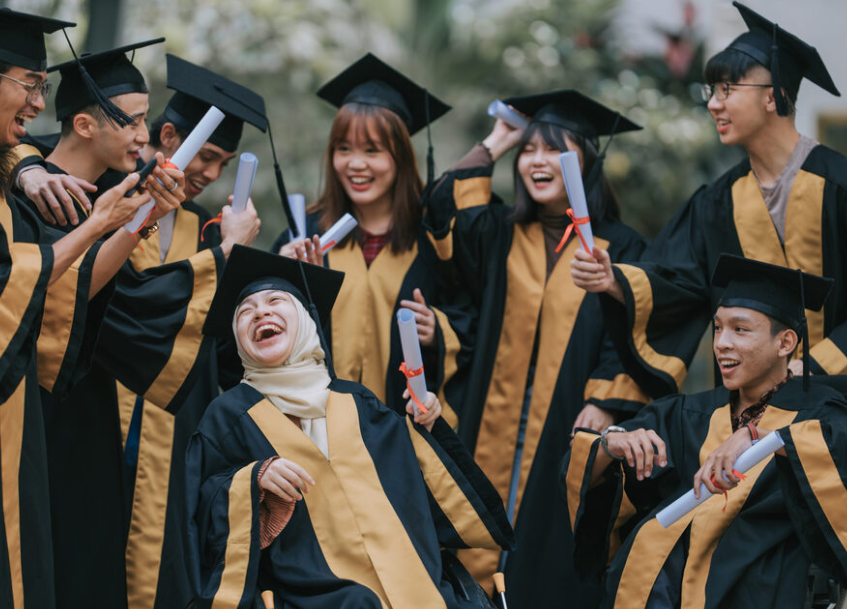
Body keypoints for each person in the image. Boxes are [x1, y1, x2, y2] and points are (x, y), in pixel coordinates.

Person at [0, 2, 149, 606]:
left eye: (43, 87)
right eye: (29, 85)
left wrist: (119, 219)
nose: (37, 103)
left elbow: (52, 298)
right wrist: (97, 223)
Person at [185, 245, 514, 608]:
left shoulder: (357, 400)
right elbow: (199, 512)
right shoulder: (228, 416)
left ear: (306, 320)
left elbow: (418, 489)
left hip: (410, 580)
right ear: (238, 340)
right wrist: (254, 480)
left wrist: (428, 426)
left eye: (276, 300)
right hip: (313, 593)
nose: (260, 311)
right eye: (245, 312)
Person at [421, 90, 648, 601]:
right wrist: (500, 137)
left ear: (587, 160)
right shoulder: (499, 232)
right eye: (530, 150)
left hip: (568, 424)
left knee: (548, 559)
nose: (537, 161)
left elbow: (636, 328)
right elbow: (440, 209)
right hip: (489, 421)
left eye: (555, 149)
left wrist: (603, 399)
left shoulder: (622, 246)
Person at [571, 1, 847, 400]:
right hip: (747, 417)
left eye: (728, 89)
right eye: (712, 90)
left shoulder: (837, 184)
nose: (713, 103)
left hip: (836, 408)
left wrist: (814, 368)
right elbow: (677, 282)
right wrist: (614, 278)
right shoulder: (717, 202)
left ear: (773, 96)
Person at [564, 254, 847, 609]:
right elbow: (588, 467)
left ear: (785, 343)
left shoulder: (822, 413)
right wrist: (614, 443)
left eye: (739, 329)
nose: (721, 343)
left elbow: (838, 458)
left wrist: (762, 439)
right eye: (717, 327)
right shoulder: (690, 413)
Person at [117, 54, 269, 609]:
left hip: (169, 423)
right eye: (205, 155)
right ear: (167, 135)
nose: (209, 172)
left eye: (222, 162)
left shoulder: (208, 228)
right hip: (96, 407)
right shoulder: (109, 198)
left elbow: (219, 344)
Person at [273, 53, 471, 423]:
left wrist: (437, 328)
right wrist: (282, 280)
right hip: (317, 435)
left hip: (402, 435)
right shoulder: (305, 236)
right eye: (343, 148)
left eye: (372, 150)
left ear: (401, 157)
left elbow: (475, 319)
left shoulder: (433, 242)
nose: (355, 164)